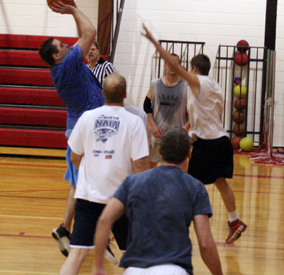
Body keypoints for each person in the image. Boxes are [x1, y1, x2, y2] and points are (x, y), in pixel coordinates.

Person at [142, 24, 247, 244]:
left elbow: (174, 66)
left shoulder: (198, 83)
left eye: (187, 68)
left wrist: (154, 42)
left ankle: (173, 226)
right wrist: (185, 130)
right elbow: (204, 117)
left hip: (208, 144)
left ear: (193, 69)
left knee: (185, 184)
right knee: (220, 182)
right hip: (220, 141)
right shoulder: (214, 86)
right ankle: (234, 220)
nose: (185, 72)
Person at [91, 127, 223, 275]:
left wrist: (98, 266)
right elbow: (205, 244)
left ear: (160, 152)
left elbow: (104, 220)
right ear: (188, 154)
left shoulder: (132, 182)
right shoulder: (195, 187)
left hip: (134, 269)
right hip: (174, 269)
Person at [59, 72, 150, 275]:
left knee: (77, 255)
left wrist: (91, 172)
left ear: (103, 93)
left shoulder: (87, 117)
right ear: (125, 93)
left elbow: (74, 156)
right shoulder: (134, 122)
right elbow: (141, 164)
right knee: (133, 257)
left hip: (87, 197)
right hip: (120, 200)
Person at [39, 2, 104, 257]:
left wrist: (74, 13)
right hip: (83, 133)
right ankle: (91, 232)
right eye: (62, 46)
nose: (68, 45)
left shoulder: (68, 65)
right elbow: (89, 33)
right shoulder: (66, 66)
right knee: (87, 184)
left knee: (79, 184)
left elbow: (82, 36)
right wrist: (74, 8)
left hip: (82, 129)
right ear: (56, 55)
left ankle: (67, 228)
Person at [144, 54, 189, 167]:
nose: (171, 66)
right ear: (165, 65)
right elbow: (146, 105)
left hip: (177, 136)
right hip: (158, 133)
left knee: (180, 170)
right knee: (151, 169)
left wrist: (187, 127)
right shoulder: (155, 84)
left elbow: (195, 110)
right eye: (169, 63)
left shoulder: (186, 86)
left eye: (174, 63)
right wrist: (152, 125)